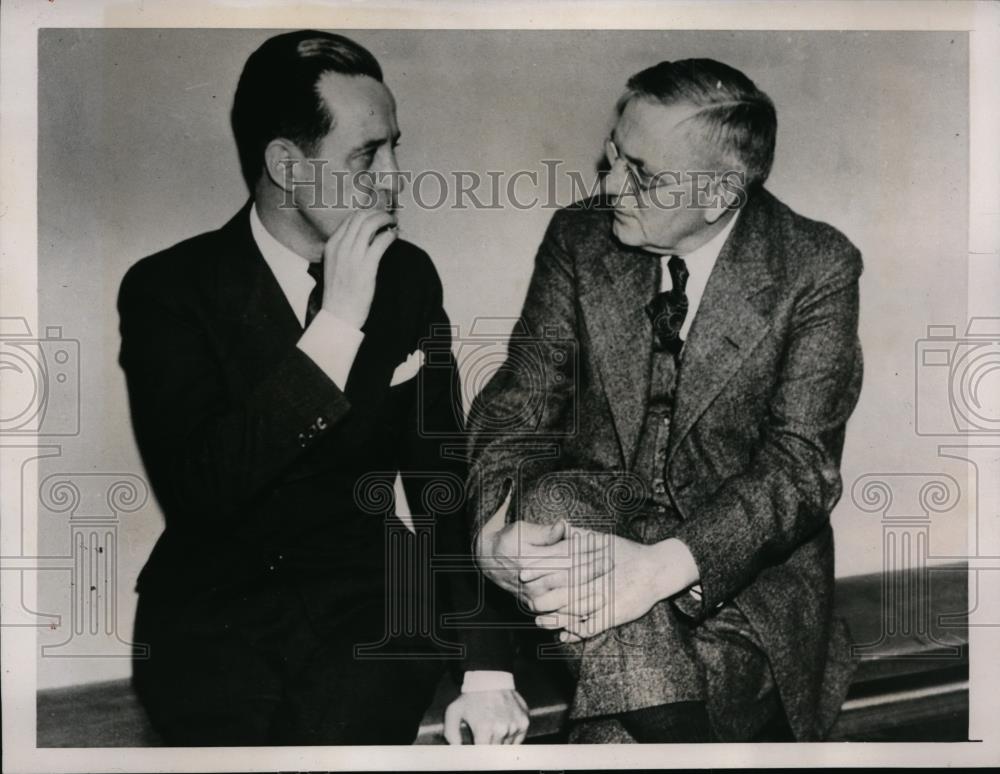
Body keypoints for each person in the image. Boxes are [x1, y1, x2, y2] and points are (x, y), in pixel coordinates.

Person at [118, 29, 528, 746]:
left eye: (396, 146)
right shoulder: (169, 290)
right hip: (213, 615)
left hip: (371, 607)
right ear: (285, 165)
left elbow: (442, 478)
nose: (395, 177)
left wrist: (489, 669)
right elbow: (202, 491)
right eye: (368, 155)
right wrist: (335, 326)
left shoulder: (408, 278)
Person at [467, 58, 862, 742]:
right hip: (594, 543)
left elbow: (800, 470)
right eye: (615, 155)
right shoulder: (579, 239)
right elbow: (518, 405)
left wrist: (656, 569)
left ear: (719, 193)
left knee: (612, 737)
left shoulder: (814, 267)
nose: (611, 183)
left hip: (734, 583)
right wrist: (492, 533)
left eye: (643, 175)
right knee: (546, 504)